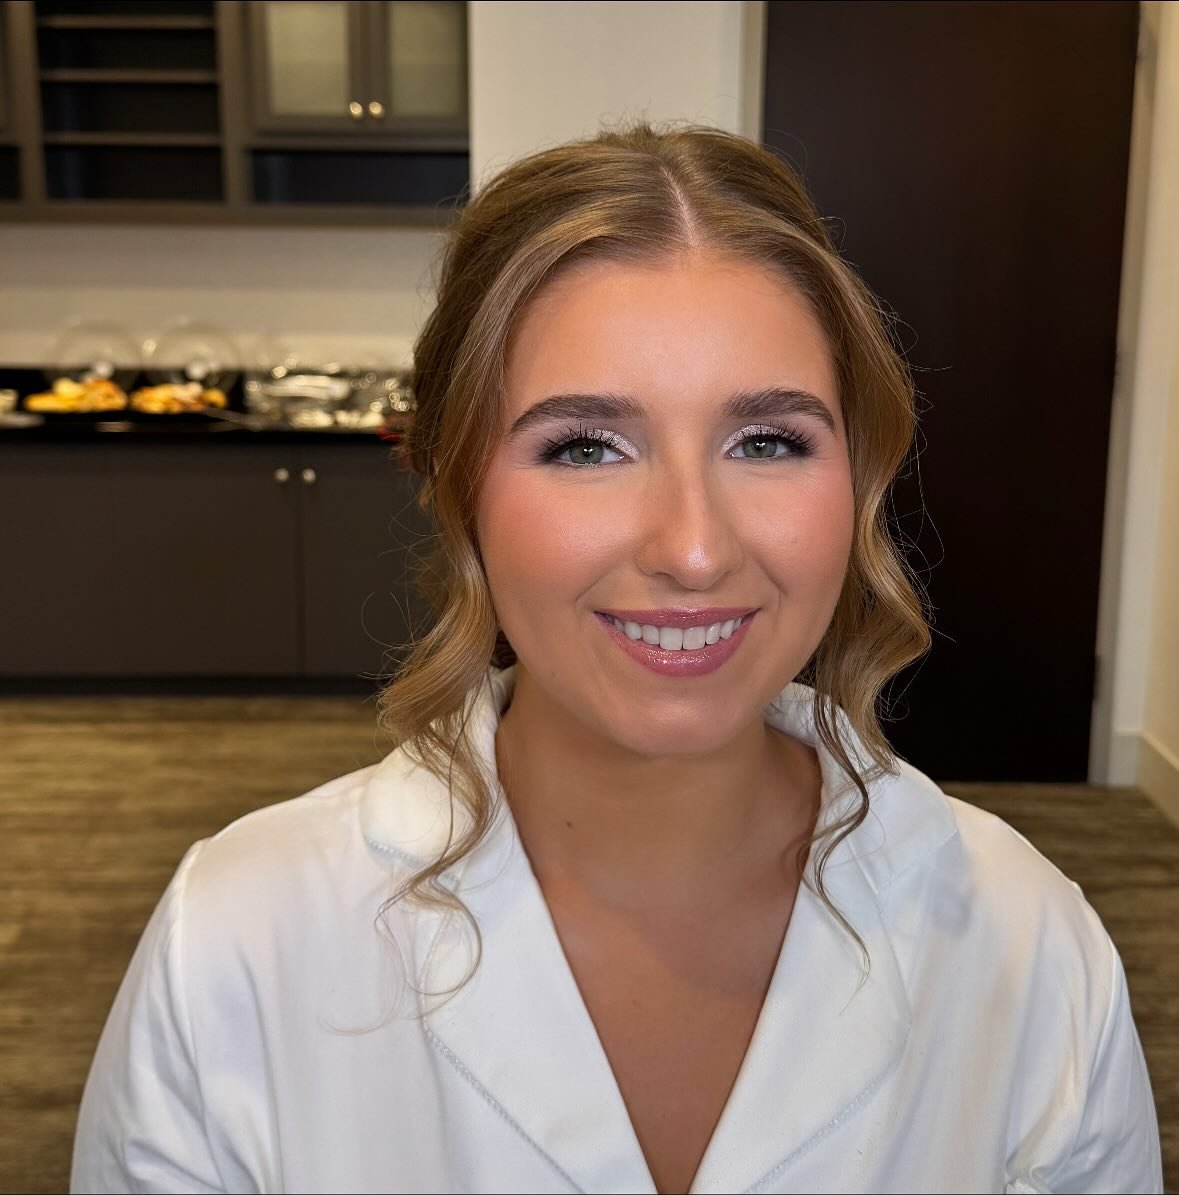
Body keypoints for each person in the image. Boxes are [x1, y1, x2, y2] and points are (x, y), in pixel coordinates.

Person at [70, 123, 1163, 1195]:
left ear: (860, 477)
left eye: (768, 440)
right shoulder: (235, 946)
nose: (692, 548)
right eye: (586, 446)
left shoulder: (1030, 948)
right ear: (460, 488)